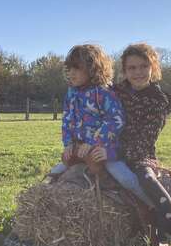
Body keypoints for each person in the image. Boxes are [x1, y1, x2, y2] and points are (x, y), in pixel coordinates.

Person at [105, 43, 171, 244]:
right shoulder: (115, 92)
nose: (138, 72)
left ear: (153, 67)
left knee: (147, 179)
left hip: (140, 153)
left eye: (143, 66)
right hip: (111, 149)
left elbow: (147, 138)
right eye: (132, 68)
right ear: (124, 71)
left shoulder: (158, 102)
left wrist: (123, 155)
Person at [50, 44, 126, 176]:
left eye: (77, 68)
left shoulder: (104, 93)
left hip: (103, 149)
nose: (71, 72)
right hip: (78, 148)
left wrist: (94, 143)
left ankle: (148, 196)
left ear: (93, 69)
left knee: (124, 178)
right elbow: (67, 120)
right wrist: (68, 144)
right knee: (53, 174)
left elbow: (116, 120)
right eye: (70, 68)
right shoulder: (71, 93)